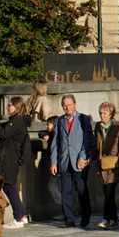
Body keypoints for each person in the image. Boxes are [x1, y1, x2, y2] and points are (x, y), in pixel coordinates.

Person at [49, 94, 94, 228]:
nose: (67, 108)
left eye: (69, 105)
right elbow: (55, 143)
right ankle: (69, 219)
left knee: (81, 189)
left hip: (79, 161)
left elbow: (88, 140)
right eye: (64, 105)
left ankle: (86, 217)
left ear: (75, 104)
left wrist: (83, 156)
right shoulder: (59, 121)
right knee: (66, 191)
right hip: (64, 161)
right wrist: (53, 161)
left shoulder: (84, 119)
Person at [0, 96, 32, 227]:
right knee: (10, 188)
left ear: (17, 107)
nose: (7, 107)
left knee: (10, 188)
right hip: (9, 159)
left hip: (8, 160)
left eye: (10, 105)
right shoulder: (17, 121)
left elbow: (2, 133)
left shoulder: (17, 121)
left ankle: (18, 217)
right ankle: (21, 216)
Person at [93, 101, 119, 229]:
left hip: (114, 163)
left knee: (110, 190)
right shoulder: (98, 126)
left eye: (105, 113)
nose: (102, 116)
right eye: (100, 113)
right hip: (102, 163)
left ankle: (106, 218)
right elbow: (95, 144)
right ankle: (112, 219)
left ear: (111, 114)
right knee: (107, 191)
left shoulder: (118, 126)